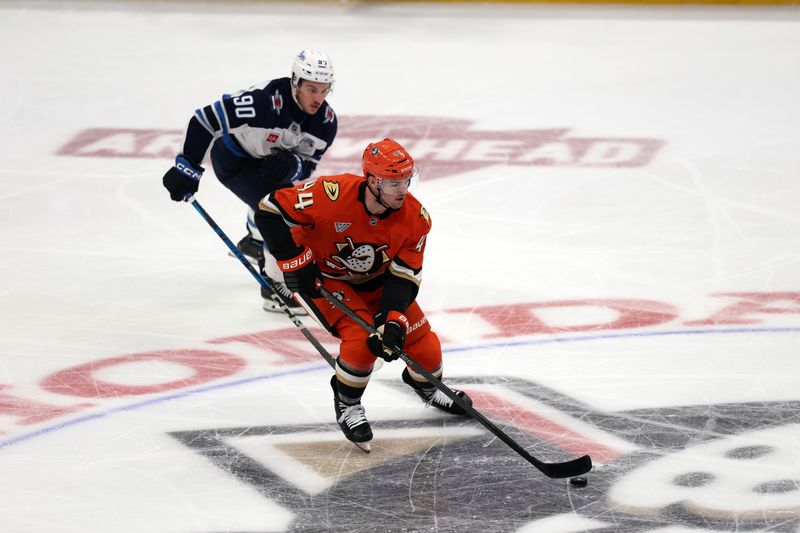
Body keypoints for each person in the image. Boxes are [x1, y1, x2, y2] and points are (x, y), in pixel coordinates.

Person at [253, 138, 473, 452]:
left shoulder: (416, 219)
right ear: (371, 180)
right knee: (361, 340)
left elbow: (404, 276)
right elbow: (269, 210)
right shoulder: (330, 194)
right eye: (394, 182)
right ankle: (347, 402)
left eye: (406, 181)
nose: (403, 189)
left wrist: (393, 321)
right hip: (325, 278)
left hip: (378, 280)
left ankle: (425, 385)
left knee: (425, 347)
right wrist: (294, 261)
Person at [162, 49, 338, 314]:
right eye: (312, 89)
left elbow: (308, 166)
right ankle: (274, 285)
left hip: (265, 164)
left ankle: (256, 240)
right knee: (279, 212)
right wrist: (186, 168)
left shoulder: (325, 123)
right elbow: (204, 120)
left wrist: (292, 167)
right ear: (295, 83)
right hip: (233, 160)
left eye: (324, 90)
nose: (319, 98)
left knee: (284, 200)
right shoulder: (262, 103)